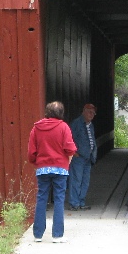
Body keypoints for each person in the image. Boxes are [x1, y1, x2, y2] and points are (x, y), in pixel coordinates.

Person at [28, 101, 77, 243]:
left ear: (47, 112)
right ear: (61, 113)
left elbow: (32, 151)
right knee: (59, 199)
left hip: (42, 168)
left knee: (41, 198)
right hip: (60, 168)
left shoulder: (36, 128)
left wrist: (36, 162)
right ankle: (57, 235)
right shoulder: (63, 127)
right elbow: (70, 148)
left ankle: (38, 234)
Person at [68, 103, 98, 211]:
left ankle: (81, 202)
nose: (91, 114)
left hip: (88, 157)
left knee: (85, 181)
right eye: (89, 112)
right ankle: (74, 203)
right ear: (84, 111)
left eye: (93, 113)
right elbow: (69, 138)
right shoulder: (76, 123)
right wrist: (74, 152)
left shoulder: (91, 125)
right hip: (78, 157)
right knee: (76, 180)